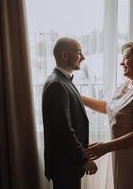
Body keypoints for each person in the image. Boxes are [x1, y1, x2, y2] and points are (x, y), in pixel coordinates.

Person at [83, 40, 133, 189]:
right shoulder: (126, 85)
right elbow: (108, 107)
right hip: (121, 153)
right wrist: (79, 97)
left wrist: (105, 147)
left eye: (126, 58)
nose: (121, 63)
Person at [42, 37, 98, 189]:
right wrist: (84, 159)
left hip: (68, 164)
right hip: (65, 166)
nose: (84, 57)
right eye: (79, 52)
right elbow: (64, 131)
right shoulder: (57, 85)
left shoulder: (63, 81)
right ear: (65, 55)